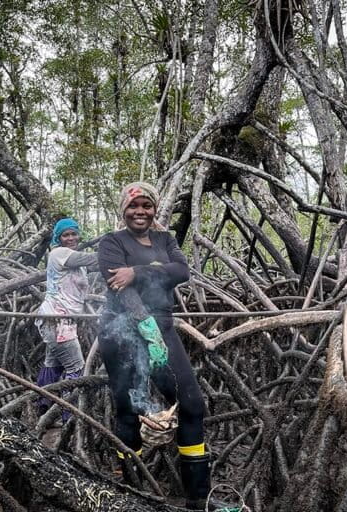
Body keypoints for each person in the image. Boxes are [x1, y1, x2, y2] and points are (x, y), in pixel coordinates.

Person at [98, 182, 227, 510]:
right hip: (122, 333)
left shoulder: (166, 239)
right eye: (133, 206)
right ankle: (133, 493)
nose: (139, 211)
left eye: (146, 206)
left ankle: (198, 498)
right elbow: (120, 289)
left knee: (192, 404)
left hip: (163, 330)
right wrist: (145, 324)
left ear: (155, 209)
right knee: (128, 412)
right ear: (123, 210)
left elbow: (181, 271)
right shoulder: (111, 242)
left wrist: (138, 271)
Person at [35, 218, 97, 421]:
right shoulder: (59, 253)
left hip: (62, 321)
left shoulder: (78, 265)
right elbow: (93, 259)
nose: (70, 238)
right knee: (76, 368)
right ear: (58, 238)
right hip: (57, 321)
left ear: (78, 235)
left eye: (73, 234)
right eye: (65, 235)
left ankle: (43, 410)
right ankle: (69, 419)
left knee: (52, 364)